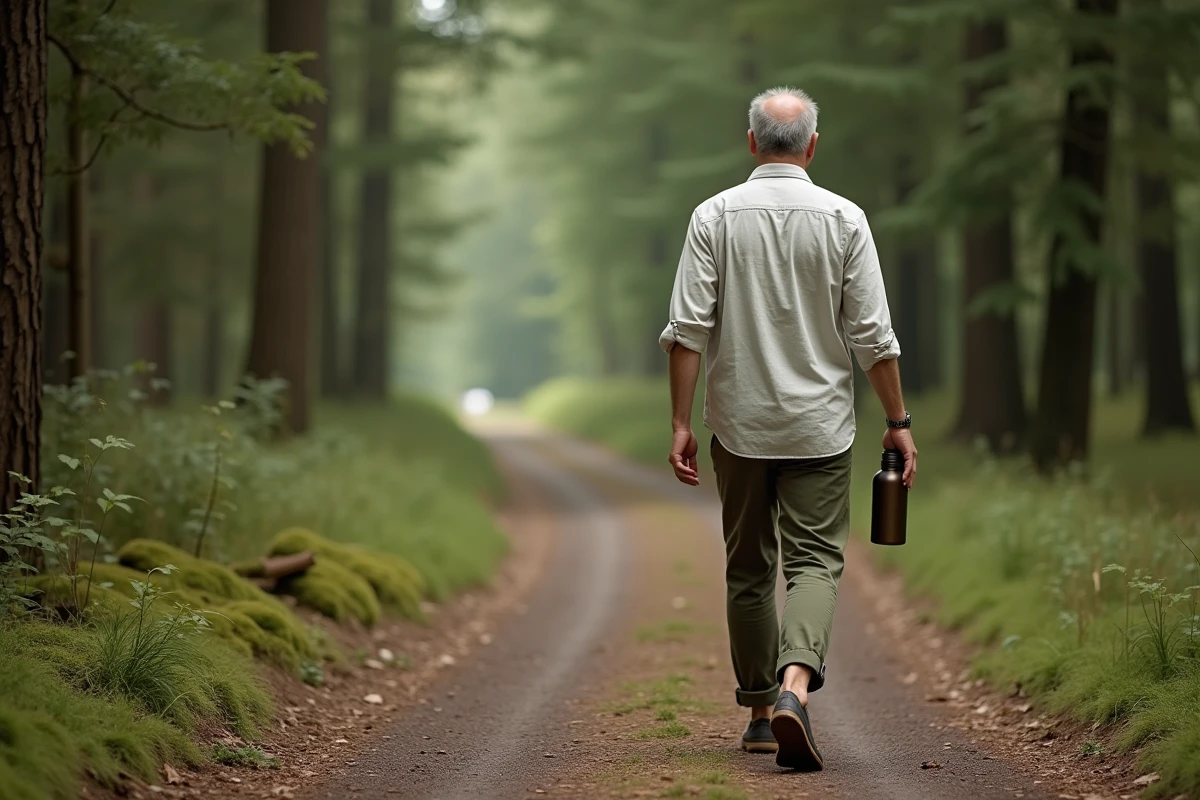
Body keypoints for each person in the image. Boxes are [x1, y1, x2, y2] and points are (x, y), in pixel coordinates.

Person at [659, 86, 918, 771]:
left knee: (748, 566)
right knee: (814, 561)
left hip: (739, 424)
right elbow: (874, 338)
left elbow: (687, 333)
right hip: (821, 428)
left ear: (751, 142)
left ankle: (758, 713)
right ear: (811, 145)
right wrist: (898, 422)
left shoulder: (713, 216)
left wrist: (680, 424)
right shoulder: (845, 219)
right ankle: (795, 689)